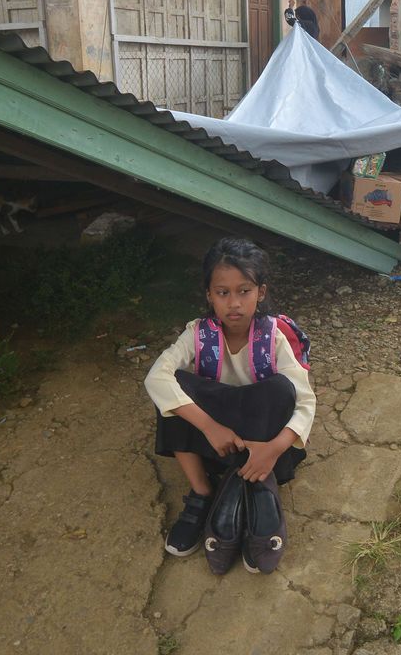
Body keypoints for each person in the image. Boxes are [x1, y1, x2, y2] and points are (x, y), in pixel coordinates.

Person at [143, 238, 315, 576]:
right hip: (217, 444)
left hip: (265, 447)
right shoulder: (197, 334)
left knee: (281, 389)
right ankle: (203, 492)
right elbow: (156, 377)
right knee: (172, 385)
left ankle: (258, 488)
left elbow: (305, 400)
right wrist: (210, 427)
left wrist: (272, 449)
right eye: (222, 292)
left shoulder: (274, 337)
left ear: (260, 293)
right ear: (209, 295)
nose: (233, 303)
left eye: (244, 291)